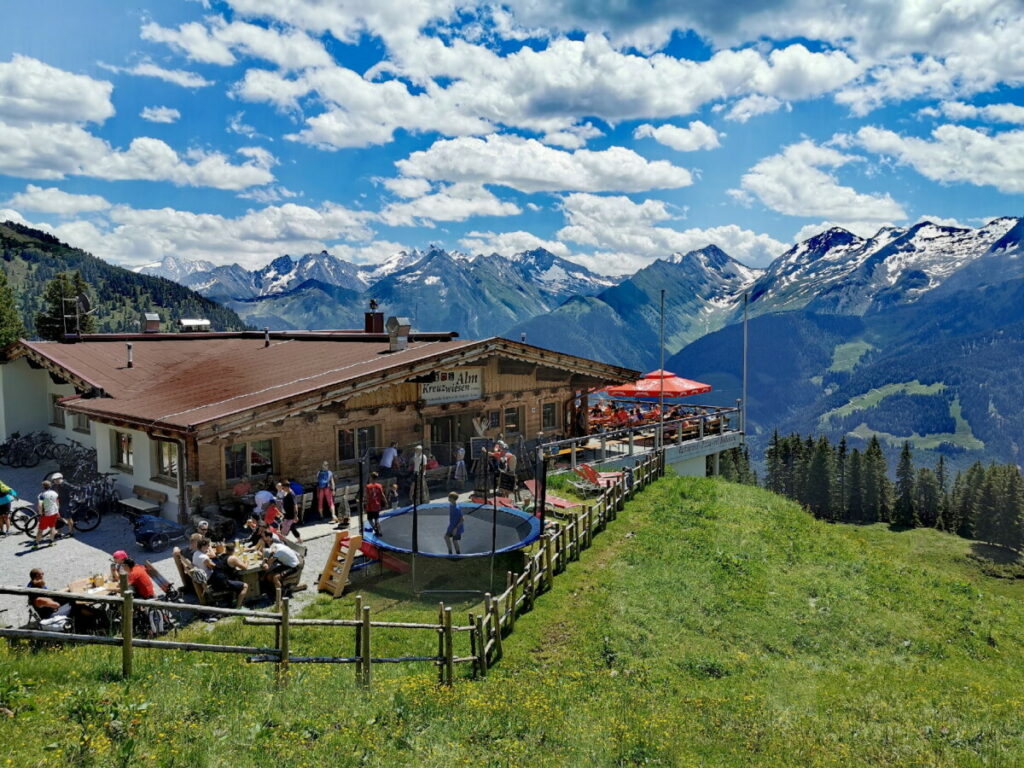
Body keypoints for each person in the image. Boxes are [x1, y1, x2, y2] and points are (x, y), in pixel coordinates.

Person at [210, 543, 248, 607]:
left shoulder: (221, 556)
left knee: (236, 579)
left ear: (226, 549)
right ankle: (238, 607)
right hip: (223, 582)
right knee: (245, 586)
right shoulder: (232, 558)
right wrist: (246, 561)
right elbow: (245, 567)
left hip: (214, 581)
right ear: (234, 550)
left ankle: (234, 599)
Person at [35, 480, 60, 547]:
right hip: (54, 512)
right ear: (50, 486)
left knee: (40, 530)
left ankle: (36, 544)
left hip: (46, 514)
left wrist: (40, 513)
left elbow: (40, 505)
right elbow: (57, 502)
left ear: (43, 486)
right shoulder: (54, 493)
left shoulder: (42, 495)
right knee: (52, 527)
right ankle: (51, 542)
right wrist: (57, 511)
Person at [51, 473, 74, 538]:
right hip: (59, 503)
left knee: (68, 518)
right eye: (54, 480)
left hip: (67, 503)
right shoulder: (54, 486)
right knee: (58, 518)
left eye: (57, 479)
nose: (55, 481)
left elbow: (73, 489)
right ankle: (59, 533)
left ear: (61, 478)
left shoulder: (65, 484)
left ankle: (71, 532)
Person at [364, 471, 386, 536]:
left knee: (370, 519)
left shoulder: (368, 486)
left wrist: (365, 505)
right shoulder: (379, 486)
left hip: (370, 505)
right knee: (376, 518)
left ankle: (375, 528)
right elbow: (382, 495)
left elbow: (367, 497)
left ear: (371, 477)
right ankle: (379, 530)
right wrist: (385, 501)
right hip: (377, 505)